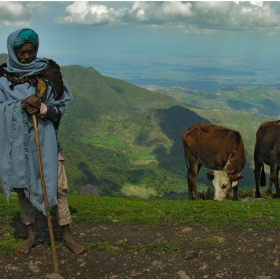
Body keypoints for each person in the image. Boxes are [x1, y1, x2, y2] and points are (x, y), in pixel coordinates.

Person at [0, 28, 84, 255]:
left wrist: (42, 108)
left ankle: (66, 236)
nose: (27, 57)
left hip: (47, 144)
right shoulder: (3, 78)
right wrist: (18, 106)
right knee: (22, 189)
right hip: (16, 146)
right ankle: (31, 235)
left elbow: (60, 111)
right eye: (22, 52)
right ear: (13, 50)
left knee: (59, 188)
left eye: (31, 51)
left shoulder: (48, 73)